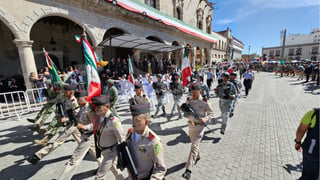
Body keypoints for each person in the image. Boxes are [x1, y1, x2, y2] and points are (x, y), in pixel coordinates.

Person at [26, 84, 81, 164]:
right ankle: (98, 156)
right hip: (71, 124)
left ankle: (37, 156)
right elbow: (61, 106)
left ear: (71, 92)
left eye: (65, 92)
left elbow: (78, 115)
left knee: (57, 142)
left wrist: (66, 119)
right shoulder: (66, 99)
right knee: (83, 141)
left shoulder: (74, 101)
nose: (64, 93)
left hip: (72, 124)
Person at [57, 90, 102, 180]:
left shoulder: (90, 109)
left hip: (88, 136)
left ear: (85, 98)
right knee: (97, 154)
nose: (77, 101)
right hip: (85, 136)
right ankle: (105, 166)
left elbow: (96, 124)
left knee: (75, 159)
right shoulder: (81, 108)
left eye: (79, 99)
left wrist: (84, 127)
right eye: (76, 99)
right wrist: (66, 119)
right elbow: (77, 120)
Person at [182, 82, 213, 180]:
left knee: (194, 146)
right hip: (191, 126)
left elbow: (211, 113)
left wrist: (206, 119)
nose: (194, 94)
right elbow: (185, 111)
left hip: (200, 128)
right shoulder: (189, 100)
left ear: (200, 91)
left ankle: (188, 170)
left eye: (196, 92)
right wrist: (183, 109)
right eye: (192, 92)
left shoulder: (205, 102)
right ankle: (197, 156)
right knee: (194, 145)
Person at [127, 101, 167, 179]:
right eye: (132, 119)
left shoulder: (153, 141)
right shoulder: (130, 134)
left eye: (137, 120)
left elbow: (160, 168)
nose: (133, 123)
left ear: (146, 122)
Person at [91, 95, 125, 180]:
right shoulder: (101, 118)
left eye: (99, 107)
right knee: (117, 172)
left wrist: (123, 155)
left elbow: (122, 137)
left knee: (99, 176)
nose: (97, 109)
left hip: (111, 153)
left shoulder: (113, 120)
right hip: (105, 151)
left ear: (107, 107)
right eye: (96, 107)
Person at [294, 108, 319, 180]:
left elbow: (301, 130)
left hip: (313, 151)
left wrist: (298, 142)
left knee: (308, 175)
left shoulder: (314, 113)